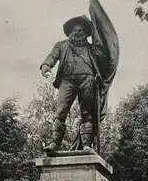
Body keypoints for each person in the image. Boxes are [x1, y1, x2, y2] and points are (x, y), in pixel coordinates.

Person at [40, 15, 107, 153]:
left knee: (86, 113)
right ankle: (54, 143)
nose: (77, 33)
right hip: (67, 81)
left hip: (87, 80)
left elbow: (103, 57)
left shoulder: (91, 48)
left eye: (81, 30)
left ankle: (87, 144)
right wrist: (46, 65)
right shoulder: (61, 45)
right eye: (75, 30)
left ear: (86, 34)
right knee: (60, 110)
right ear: (70, 31)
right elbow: (52, 57)